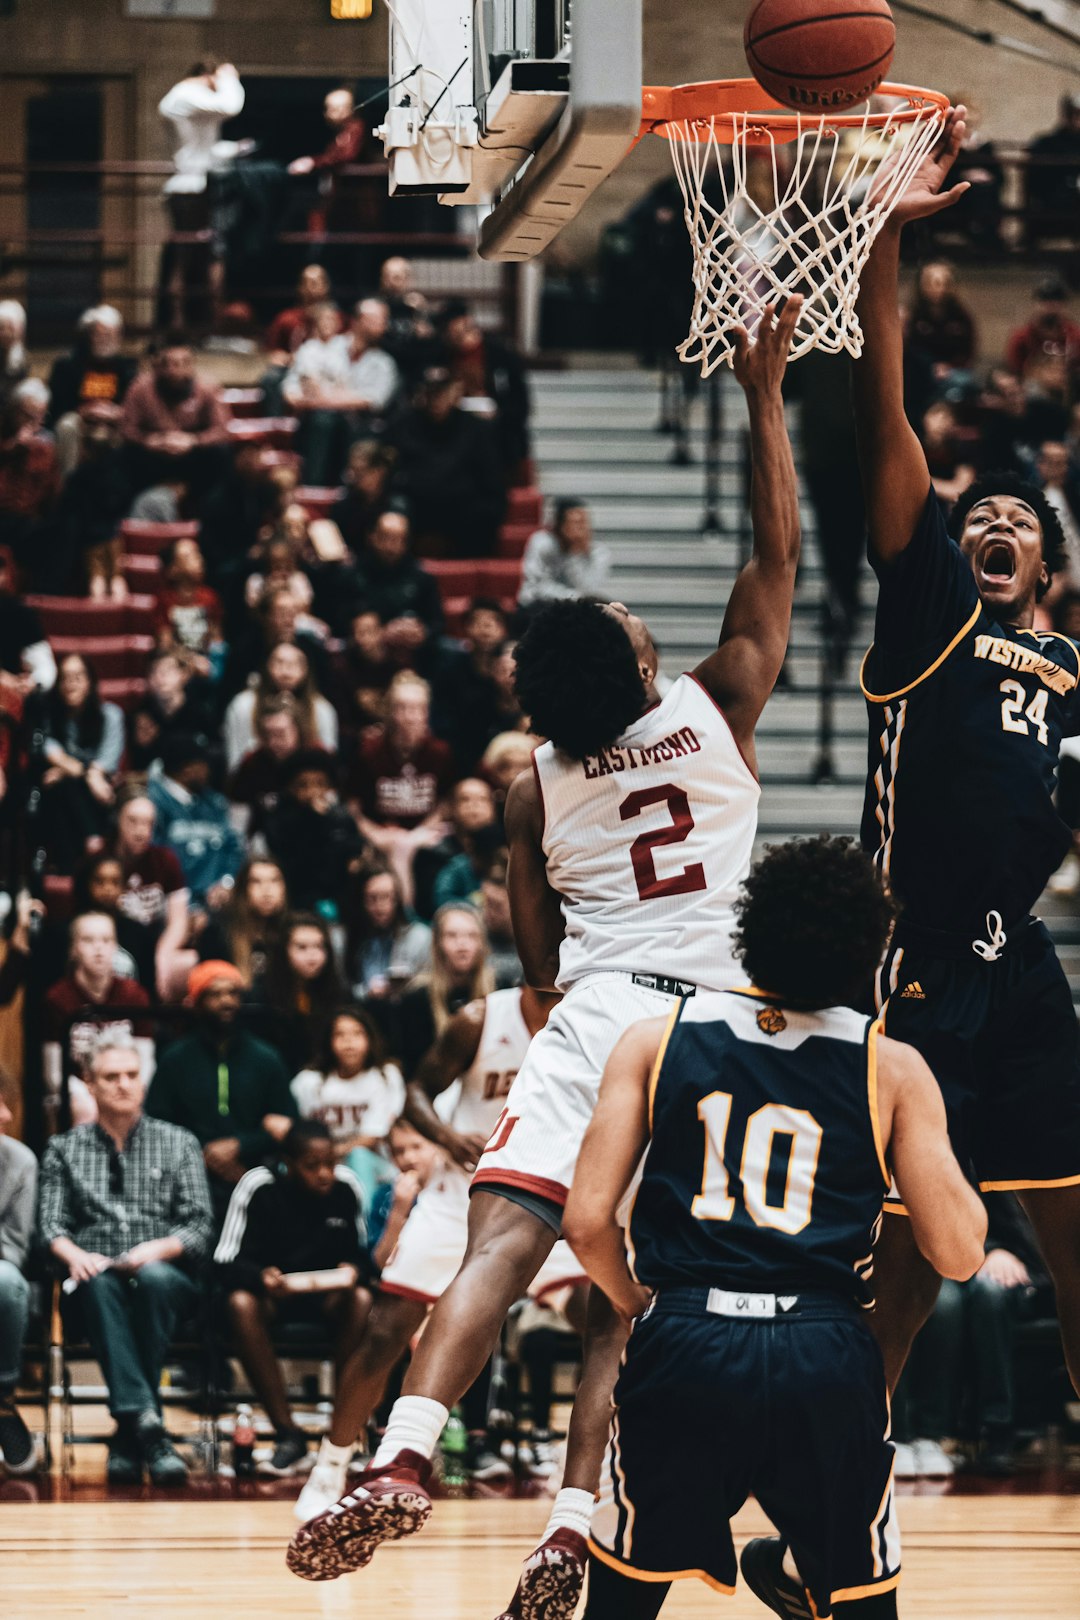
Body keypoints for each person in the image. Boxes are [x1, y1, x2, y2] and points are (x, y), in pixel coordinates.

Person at [284, 298, 804, 1608]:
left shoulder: (534, 789)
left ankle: (404, 1456)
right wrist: (760, 387)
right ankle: (576, 1515)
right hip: (721, 1023)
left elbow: (532, 964)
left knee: (499, 1248)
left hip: (597, 1006)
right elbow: (780, 547)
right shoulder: (720, 701)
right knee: (626, 1296)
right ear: (643, 664)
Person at [563, 837, 988, 1620]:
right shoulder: (890, 1066)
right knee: (858, 1601)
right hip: (822, 1350)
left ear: (750, 927)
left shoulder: (656, 1039)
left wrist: (636, 1305)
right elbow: (959, 1255)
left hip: (687, 1335)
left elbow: (586, 1222)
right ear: (869, 944)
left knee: (622, 1600)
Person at [849, 108, 1080, 1412]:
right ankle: (844, 1503)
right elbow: (882, 404)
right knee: (903, 1266)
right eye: (977, 509)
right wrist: (885, 225)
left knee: (1075, 1237)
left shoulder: (1072, 666)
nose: (994, 519)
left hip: (1025, 964)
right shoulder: (934, 610)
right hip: (919, 955)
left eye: (1018, 521)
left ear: (1047, 566)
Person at [290, 986, 582, 1528]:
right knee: (385, 1332)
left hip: (551, 1196)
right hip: (461, 1196)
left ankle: (591, 1482)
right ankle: (330, 1467)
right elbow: (416, 1092)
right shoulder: (479, 1019)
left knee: (610, 1321)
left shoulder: (599, 1008)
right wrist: (447, 1136)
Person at [38, 1038, 214, 1486]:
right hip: (95, 1275)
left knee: (154, 1279)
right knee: (97, 1283)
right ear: (91, 1086)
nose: (123, 1085)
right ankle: (147, 1428)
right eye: (111, 1077)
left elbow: (198, 1225)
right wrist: (75, 1256)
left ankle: (130, 1427)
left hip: (165, 1274)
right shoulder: (64, 1148)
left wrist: (156, 1249)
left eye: (131, 1076)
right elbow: (51, 1225)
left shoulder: (179, 1142)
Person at [215, 1119, 373, 1477]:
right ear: (288, 1162)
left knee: (363, 1298)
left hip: (328, 1298)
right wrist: (260, 1276)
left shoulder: (347, 1187)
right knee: (239, 1303)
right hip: (274, 1297)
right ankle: (288, 1434)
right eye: (312, 1166)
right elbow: (224, 1261)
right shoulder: (258, 1185)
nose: (324, 1174)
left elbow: (366, 1256)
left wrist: (353, 1271)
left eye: (330, 1163)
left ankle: (342, 1434)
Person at [145, 960, 296, 1221]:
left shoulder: (266, 1057)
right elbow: (157, 1121)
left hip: (255, 1170)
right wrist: (205, 1153)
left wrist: (240, 1145)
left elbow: (287, 1122)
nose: (226, 1001)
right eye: (215, 994)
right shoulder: (175, 1058)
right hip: (187, 1172)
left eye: (233, 993)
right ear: (197, 1002)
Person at [43, 911, 154, 1126]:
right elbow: (54, 1073)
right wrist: (90, 1094)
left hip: (124, 1082)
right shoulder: (57, 998)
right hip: (77, 1091)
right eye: (88, 940)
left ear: (116, 947)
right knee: (87, 1111)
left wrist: (129, 1089)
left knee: (133, 1110)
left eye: (106, 940)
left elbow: (146, 1060)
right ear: (74, 948)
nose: (99, 949)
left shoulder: (134, 994)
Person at [158, 61, 246, 330]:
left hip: (201, 184)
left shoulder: (189, 98)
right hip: (190, 188)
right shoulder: (184, 95)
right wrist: (229, 78)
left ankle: (205, 323)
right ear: (205, 76)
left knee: (210, 257)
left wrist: (234, 149)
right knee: (185, 259)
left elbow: (206, 148)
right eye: (213, 81)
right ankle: (180, 323)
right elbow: (231, 106)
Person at [390, 368, 506, 559]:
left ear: (455, 393)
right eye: (431, 392)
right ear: (422, 394)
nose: (436, 398)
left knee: (485, 514)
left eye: (442, 392)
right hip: (417, 503)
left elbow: (491, 478)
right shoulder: (403, 425)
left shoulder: (477, 429)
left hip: (462, 504)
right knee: (393, 510)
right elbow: (392, 470)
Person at [284, 299, 399, 487]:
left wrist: (321, 398)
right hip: (316, 424)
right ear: (358, 321)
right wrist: (316, 398)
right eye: (377, 320)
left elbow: (371, 401)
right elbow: (292, 389)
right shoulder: (326, 347)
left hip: (359, 428)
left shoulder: (384, 364)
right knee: (322, 420)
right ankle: (313, 489)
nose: (383, 327)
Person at [119, 334, 231, 502]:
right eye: (168, 364)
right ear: (157, 365)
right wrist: (149, 440)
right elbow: (126, 428)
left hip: (193, 454)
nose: (175, 370)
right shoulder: (140, 388)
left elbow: (222, 430)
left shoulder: (208, 388)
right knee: (123, 455)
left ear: (191, 364)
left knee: (221, 453)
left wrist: (193, 440)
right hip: (153, 452)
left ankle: (208, 515)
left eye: (183, 363)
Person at [40, 652, 125, 870]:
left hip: (101, 796)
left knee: (65, 782)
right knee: (61, 786)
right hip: (66, 798)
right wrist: (86, 772)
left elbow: (109, 759)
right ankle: (91, 841)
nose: (71, 684)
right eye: (65, 678)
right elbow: (50, 752)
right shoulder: (49, 716)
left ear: (90, 682)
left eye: (77, 677)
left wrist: (73, 771)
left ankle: (76, 858)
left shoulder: (110, 715)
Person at [291, 1005, 405, 1167]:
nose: (349, 1042)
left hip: (372, 1163)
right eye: (340, 1034)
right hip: (318, 1164)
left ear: (370, 1039)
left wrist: (332, 1154)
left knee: (359, 1156)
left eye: (357, 1033)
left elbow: (373, 1136)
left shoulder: (386, 1076)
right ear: (329, 1041)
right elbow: (296, 1129)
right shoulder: (307, 1081)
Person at [262, 749, 368, 913]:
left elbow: (352, 848)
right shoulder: (279, 819)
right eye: (303, 785)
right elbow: (291, 863)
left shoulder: (339, 816)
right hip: (298, 895)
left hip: (337, 894)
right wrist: (313, 820)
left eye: (319, 784)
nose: (312, 791)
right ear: (290, 788)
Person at [148, 734, 243, 915]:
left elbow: (234, 846)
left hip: (216, 904)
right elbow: (152, 859)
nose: (209, 771)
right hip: (171, 907)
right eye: (204, 765)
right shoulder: (152, 802)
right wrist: (186, 906)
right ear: (188, 769)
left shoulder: (214, 802)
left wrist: (226, 882)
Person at [111, 792, 192, 1001]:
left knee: (191, 963)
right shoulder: (102, 858)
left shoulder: (165, 859)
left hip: (155, 943)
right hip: (117, 944)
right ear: (117, 819)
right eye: (133, 821)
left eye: (148, 824)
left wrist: (162, 956)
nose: (141, 832)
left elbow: (179, 921)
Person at [436, 298, 531, 474]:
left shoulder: (501, 355)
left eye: (462, 331)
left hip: (496, 426)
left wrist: (497, 412)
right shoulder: (443, 355)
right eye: (453, 334)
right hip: (456, 421)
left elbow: (520, 403)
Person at [248, 913, 346, 1078]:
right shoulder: (262, 997)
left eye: (319, 946)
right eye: (301, 947)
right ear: (283, 950)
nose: (312, 956)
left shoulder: (338, 993)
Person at [48, 305, 137, 480]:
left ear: (118, 336)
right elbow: (58, 406)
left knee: (130, 432)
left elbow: (134, 405)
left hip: (114, 421)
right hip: (80, 419)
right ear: (89, 336)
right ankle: (69, 483)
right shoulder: (67, 365)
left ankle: (118, 486)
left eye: (110, 334)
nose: (104, 339)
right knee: (66, 426)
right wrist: (84, 411)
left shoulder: (128, 367)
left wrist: (115, 413)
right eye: (99, 334)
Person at [350, 507, 444, 666]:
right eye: (386, 538)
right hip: (367, 651)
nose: (392, 546)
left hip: (415, 651)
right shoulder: (354, 575)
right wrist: (381, 631)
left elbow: (436, 622)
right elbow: (345, 617)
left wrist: (422, 632)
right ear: (373, 537)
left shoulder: (421, 577)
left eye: (399, 539)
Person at [223, 641, 338, 771]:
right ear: (267, 666)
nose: (286, 672)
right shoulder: (243, 705)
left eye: (294, 664)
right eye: (279, 663)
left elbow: (328, 759)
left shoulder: (321, 709)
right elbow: (236, 758)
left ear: (306, 669)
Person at [0, 1087, 37, 1475]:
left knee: (6, 1282)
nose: (7, 1115)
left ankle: (3, 1399)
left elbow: (14, 1246)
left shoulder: (19, 1160)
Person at [345, 865, 432, 1003]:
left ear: (397, 898)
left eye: (386, 897)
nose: (380, 906)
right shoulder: (351, 940)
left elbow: (433, 982)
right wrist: (367, 992)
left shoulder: (420, 937)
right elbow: (342, 990)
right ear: (361, 900)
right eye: (372, 898)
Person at [196, 855, 288, 982]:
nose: (267, 890)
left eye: (274, 881)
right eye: (256, 881)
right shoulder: (218, 933)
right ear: (243, 889)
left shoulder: (290, 933)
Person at [518, 499, 613, 610]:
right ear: (560, 524)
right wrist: (573, 596)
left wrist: (576, 552)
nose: (581, 528)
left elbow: (589, 589)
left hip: (577, 607)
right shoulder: (541, 542)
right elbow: (536, 586)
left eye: (584, 522)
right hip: (539, 605)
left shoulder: (599, 553)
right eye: (576, 522)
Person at [1005, 274, 1080, 385]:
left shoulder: (1075, 336)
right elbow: (1015, 372)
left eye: (1056, 300)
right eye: (1045, 300)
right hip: (1032, 392)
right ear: (1035, 304)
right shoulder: (1021, 338)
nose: (1050, 306)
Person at [1026, 94, 1080, 247]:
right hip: (1057, 203)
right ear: (1068, 116)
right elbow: (1038, 182)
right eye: (1076, 115)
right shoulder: (1048, 143)